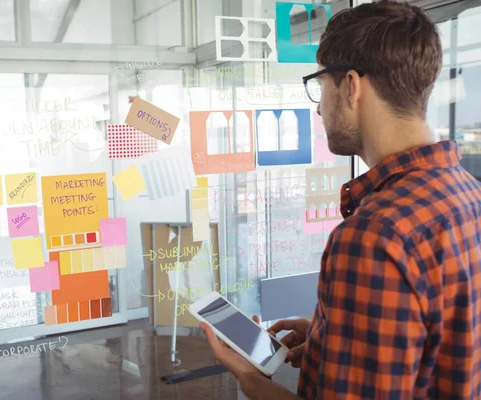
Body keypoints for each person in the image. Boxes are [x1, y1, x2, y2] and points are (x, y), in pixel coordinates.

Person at [201, 0, 481, 398]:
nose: (319, 110)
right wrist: (327, 337)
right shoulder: (467, 195)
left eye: (321, 88)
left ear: (350, 86)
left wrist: (249, 379)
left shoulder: (374, 236)